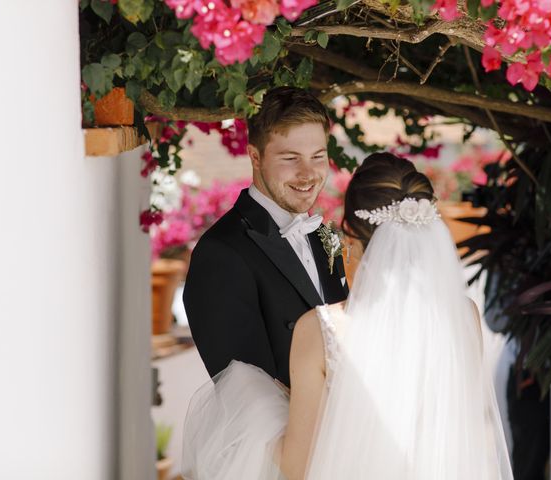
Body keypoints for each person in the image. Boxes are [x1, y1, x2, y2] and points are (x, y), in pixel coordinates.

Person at [182, 152, 514, 480]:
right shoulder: (464, 317)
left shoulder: (322, 329)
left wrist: (254, 404)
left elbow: (299, 467)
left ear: (352, 240)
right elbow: (474, 429)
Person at [183, 86, 349, 388]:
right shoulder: (221, 254)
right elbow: (248, 398)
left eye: (318, 156)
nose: (309, 173)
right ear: (255, 157)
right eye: (291, 158)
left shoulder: (322, 236)